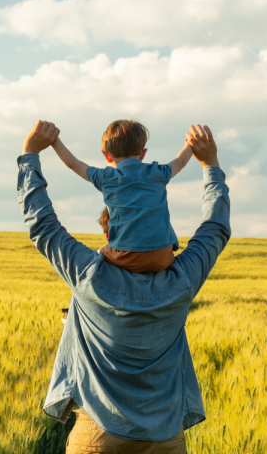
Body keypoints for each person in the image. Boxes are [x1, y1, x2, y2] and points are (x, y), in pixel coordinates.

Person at [18, 121, 232, 452]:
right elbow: (215, 227)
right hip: (165, 437)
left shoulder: (88, 275)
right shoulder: (182, 279)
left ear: (111, 234)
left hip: (99, 435)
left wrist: (30, 154)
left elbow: (42, 225)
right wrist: (210, 165)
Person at [51, 120, 193, 273]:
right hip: (163, 257)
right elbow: (182, 160)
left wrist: (54, 141)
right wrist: (191, 143)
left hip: (127, 257)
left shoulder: (105, 176)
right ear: (143, 154)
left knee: (98, 256)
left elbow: (74, 164)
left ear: (106, 155)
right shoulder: (158, 172)